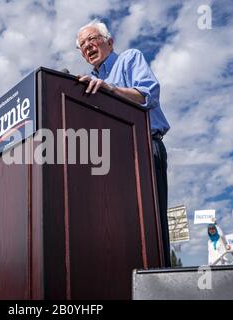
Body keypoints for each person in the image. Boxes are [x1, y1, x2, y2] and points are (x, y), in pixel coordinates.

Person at [76, 19, 171, 266]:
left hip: (144, 147)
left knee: (151, 225)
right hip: (112, 159)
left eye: (91, 39)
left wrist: (111, 88)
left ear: (109, 41)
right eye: (82, 45)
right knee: (118, 225)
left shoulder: (129, 58)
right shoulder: (87, 82)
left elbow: (148, 95)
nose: (87, 46)